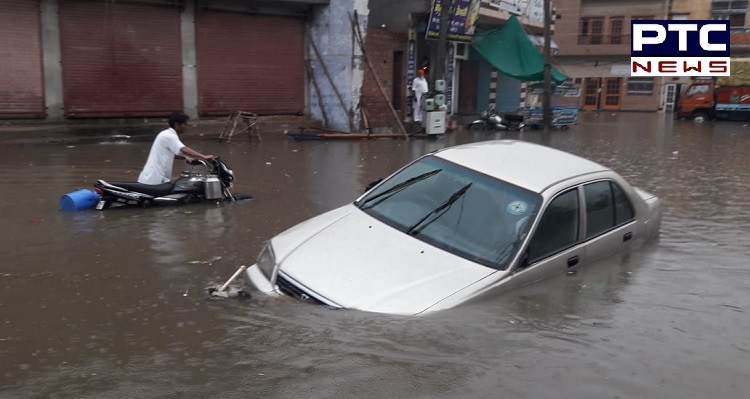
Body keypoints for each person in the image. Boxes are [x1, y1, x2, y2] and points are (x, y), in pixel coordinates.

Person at [137, 112, 215, 185]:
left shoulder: (166, 134)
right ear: (177, 125)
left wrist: (185, 158)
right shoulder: (170, 136)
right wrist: (204, 157)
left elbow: (171, 154)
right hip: (154, 178)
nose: (186, 127)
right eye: (185, 124)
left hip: (156, 177)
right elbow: (184, 149)